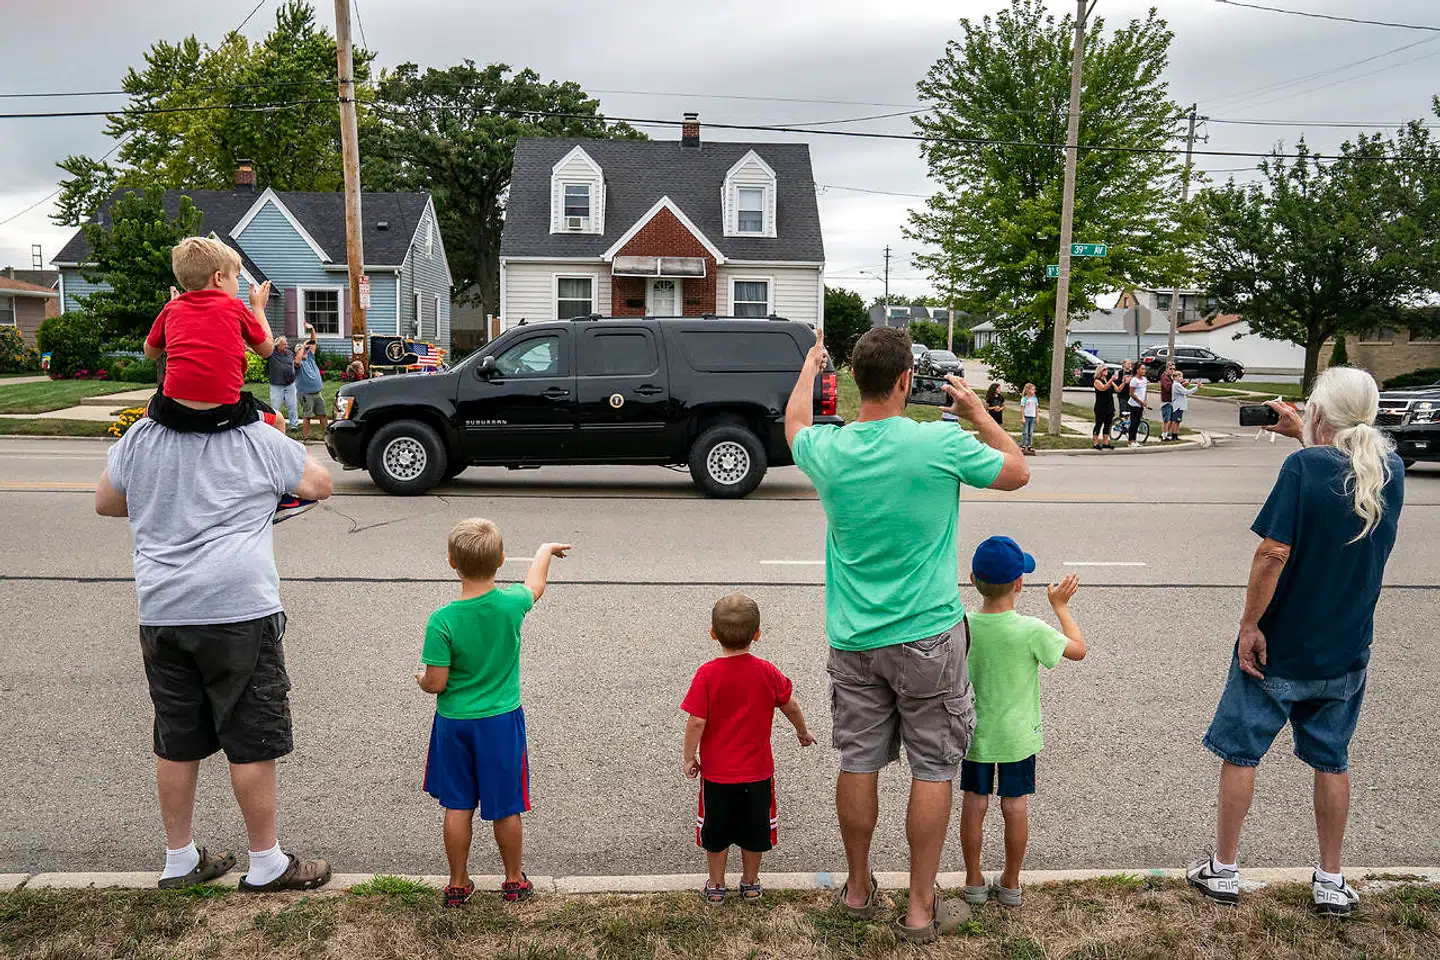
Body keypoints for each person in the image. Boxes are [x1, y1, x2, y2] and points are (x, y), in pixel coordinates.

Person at [784, 326, 1029, 943]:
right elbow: (1018, 472)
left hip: (855, 638)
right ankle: (920, 907)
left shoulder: (827, 449)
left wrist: (811, 367)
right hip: (929, 636)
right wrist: (979, 413)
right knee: (935, 767)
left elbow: (792, 425)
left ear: (857, 382)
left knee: (859, 761)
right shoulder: (940, 443)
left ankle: (859, 886)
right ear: (903, 381)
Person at [1187, 368, 1404, 917]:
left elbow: (1272, 553)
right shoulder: (1390, 469)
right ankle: (1331, 879)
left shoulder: (1302, 466)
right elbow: (1340, 474)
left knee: (1242, 753)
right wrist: (1306, 436)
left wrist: (1249, 625)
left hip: (1279, 644)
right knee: (1332, 760)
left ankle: (1226, 869)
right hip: (1346, 646)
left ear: (1321, 413)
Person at [94, 404, 335, 892]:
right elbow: (318, 485)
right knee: (251, 737)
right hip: (237, 609)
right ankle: (266, 862)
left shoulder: (141, 436)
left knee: (177, 735)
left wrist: (167, 499)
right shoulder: (255, 438)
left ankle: (179, 858)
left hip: (163, 610)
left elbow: (106, 501)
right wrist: (278, 437)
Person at [415, 518, 571, 908]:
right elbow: (536, 585)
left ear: (451, 561)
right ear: (501, 560)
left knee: (458, 804)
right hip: (501, 722)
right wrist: (544, 550)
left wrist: (420, 678)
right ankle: (514, 880)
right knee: (506, 806)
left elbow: (435, 682)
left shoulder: (443, 620)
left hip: (454, 724)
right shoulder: (511, 605)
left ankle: (457, 883)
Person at [960, 539, 1086, 908]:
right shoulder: (1031, 629)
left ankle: (973, 880)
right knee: (1014, 806)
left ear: (972, 579)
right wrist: (1060, 607)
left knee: (974, 802)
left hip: (975, 733)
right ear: (1019, 584)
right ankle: (1011, 882)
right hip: (1018, 737)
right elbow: (1078, 649)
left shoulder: (964, 625)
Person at [682, 595, 816, 903]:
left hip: (717, 776)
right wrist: (802, 731)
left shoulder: (707, 675)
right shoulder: (767, 672)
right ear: (757, 634)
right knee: (754, 830)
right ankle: (751, 881)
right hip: (757, 774)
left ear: (712, 634)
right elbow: (789, 705)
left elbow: (696, 722)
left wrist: (690, 757)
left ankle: (716, 886)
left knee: (715, 833)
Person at [294, 324, 328, 441]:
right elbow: (297, 361)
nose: (305, 351)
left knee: (323, 414)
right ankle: (306, 438)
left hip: (317, 393)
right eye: (302, 350)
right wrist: (303, 346)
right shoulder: (297, 364)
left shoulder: (310, 358)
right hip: (305, 394)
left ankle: (328, 436)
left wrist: (312, 329)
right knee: (307, 416)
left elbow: (314, 342)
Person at [267, 336, 301, 431]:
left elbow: (296, 363)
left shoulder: (290, 353)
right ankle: (274, 426)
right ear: (278, 346)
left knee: (292, 406)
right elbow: (259, 352)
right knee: (275, 407)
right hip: (276, 385)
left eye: (286, 344)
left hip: (290, 384)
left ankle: (294, 425)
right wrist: (248, 348)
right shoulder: (271, 353)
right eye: (284, 344)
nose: (286, 346)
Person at [1091, 364, 1115, 450]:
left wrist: (1123, 382)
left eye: (1107, 369)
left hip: (1109, 405)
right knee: (1099, 423)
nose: (1106, 371)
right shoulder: (1097, 381)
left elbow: (1117, 389)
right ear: (1100, 371)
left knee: (1107, 424)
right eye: (1104, 369)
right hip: (1101, 406)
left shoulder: (1108, 380)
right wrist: (1111, 380)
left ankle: (1106, 442)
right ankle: (1095, 442)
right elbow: (1103, 388)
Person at [1169, 372, 1198, 441]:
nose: (1182, 378)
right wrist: (1196, 387)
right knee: (1175, 421)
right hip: (1178, 406)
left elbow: (1181, 390)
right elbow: (1187, 392)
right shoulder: (1176, 385)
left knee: (1178, 421)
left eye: (1182, 377)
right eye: (1180, 377)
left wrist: (1183, 385)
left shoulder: (1178, 385)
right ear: (1175, 377)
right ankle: (1173, 435)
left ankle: (1176, 434)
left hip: (1180, 406)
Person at [1126, 364, 1150, 446]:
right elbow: (1131, 393)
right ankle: (1130, 441)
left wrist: (1144, 401)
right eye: (1142, 369)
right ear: (1137, 370)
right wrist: (1140, 401)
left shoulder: (1144, 380)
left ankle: (1135, 440)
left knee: (1138, 423)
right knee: (1133, 422)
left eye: (1144, 369)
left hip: (1141, 405)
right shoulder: (1134, 380)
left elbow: (1145, 391)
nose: (1144, 371)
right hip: (1134, 404)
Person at [1019, 383, 1039, 455]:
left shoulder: (1035, 399)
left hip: (1032, 417)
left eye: (1034, 390)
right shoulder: (1024, 399)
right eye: (1032, 389)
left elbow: (1037, 409)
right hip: (1026, 417)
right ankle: (1024, 445)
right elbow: (1022, 409)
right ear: (1028, 390)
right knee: (1025, 432)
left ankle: (1030, 445)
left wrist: (1037, 417)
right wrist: (1023, 417)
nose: (1034, 391)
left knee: (1031, 432)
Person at [1159, 362, 1177, 442]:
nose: (1172, 370)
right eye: (1170, 369)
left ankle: (1164, 434)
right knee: (1166, 420)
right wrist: (1176, 386)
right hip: (1166, 401)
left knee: (1170, 419)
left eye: (1174, 369)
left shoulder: (1171, 377)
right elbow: (1167, 388)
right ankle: (1164, 436)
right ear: (1166, 369)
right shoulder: (1164, 377)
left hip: (1171, 401)